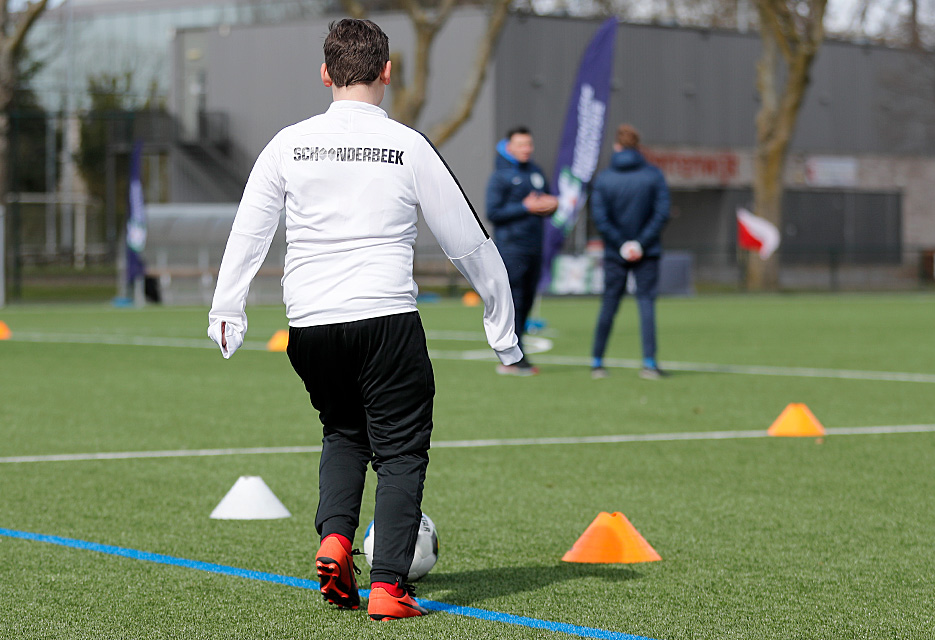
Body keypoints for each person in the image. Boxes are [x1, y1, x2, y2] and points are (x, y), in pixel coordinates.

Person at [206, 18, 521, 621]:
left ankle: (335, 541)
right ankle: (390, 587)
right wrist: (502, 327)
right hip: (386, 317)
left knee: (343, 431)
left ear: (325, 74)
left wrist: (228, 308)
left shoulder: (287, 144)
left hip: (310, 324)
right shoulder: (407, 145)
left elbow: (250, 230)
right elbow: (469, 241)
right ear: (388, 71)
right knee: (401, 451)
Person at [589, 124, 670, 380]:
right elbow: (661, 213)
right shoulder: (654, 175)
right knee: (646, 303)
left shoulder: (604, 178)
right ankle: (649, 363)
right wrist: (640, 244)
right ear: (639, 146)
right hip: (647, 252)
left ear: (617, 146)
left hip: (614, 252)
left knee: (609, 305)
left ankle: (597, 362)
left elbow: (600, 218)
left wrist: (621, 243)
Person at [485, 127, 557, 376]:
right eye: (521, 144)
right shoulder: (500, 177)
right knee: (513, 302)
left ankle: (518, 352)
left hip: (534, 247)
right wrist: (524, 207)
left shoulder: (536, 172)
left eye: (529, 144)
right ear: (510, 147)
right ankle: (512, 358)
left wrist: (551, 205)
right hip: (511, 248)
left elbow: (543, 202)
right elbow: (493, 212)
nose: (526, 148)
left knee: (526, 302)